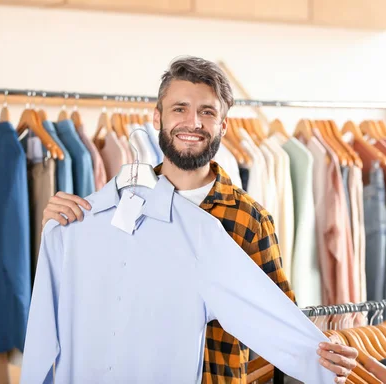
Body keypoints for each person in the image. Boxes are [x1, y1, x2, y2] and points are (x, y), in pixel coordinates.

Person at [41, 56, 358, 383]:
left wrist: (319, 351)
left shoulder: (248, 219)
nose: (192, 123)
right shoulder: (116, 207)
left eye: (207, 112)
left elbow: (277, 316)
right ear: (157, 117)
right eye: (180, 109)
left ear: (222, 125)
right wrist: (59, 230)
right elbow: (89, 296)